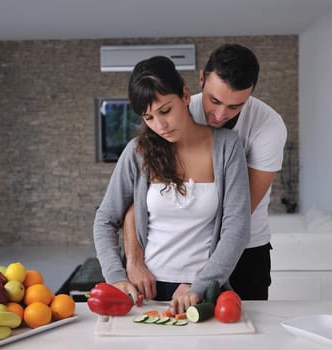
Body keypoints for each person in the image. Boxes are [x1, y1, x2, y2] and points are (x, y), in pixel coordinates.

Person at [123, 44, 287, 300]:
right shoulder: (177, 109)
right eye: (214, 100)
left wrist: (197, 279)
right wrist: (134, 260)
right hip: (185, 258)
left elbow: (234, 216)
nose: (220, 115)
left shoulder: (269, 126)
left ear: (251, 93)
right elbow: (139, 199)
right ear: (200, 80)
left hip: (246, 249)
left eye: (235, 106)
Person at [93, 56, 251, 314]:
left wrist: (199, 286)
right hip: (146, 291)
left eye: (165, 111)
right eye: (149, 117)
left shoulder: (227, 146)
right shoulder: (138, 151)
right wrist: (117, 277)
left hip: (204, 291)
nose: (160, 126)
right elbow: (105, 219)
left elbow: (237, 228)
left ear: (186, 95)